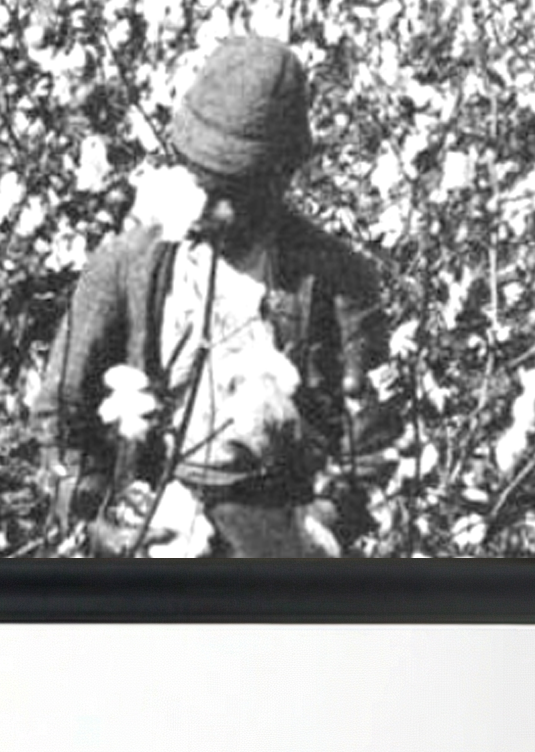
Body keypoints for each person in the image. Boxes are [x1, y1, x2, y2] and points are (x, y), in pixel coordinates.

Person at [32, 33, 391, 558]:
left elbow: (370, 446)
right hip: (149, 520)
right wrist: (92, 516)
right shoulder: (126, 266)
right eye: (199, 182)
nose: (207, 208)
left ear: (280, 177)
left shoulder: (336, 282)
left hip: (274, 530)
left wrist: (320, 524)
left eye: (231, 192)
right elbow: (61, 412)